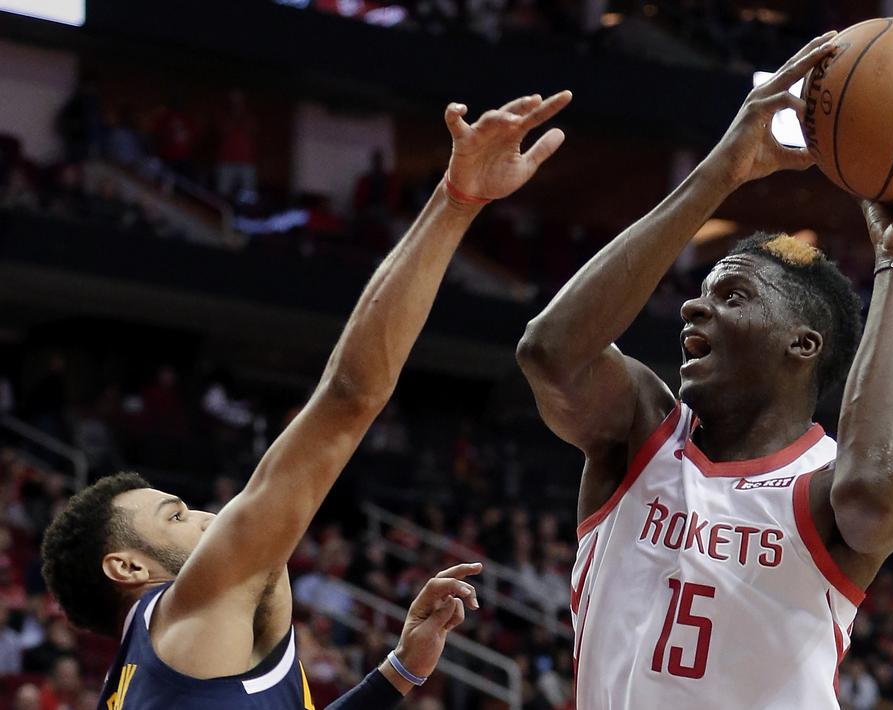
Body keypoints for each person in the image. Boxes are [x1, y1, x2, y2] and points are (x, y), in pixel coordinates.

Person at [38, 89, 573, 709]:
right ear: (128, 568)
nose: (212, 517)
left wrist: (397, 674)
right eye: (177, 517)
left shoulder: (140, 680)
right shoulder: (195, 601)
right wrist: (457, 201)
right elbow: (350, 396)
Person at [517, 31, 893, 708]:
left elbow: (877, 491)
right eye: (703, 291)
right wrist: (722, 170)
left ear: (801, 344)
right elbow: (550, 355)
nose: (691, 306)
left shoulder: (826, 489)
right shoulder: (640, 433)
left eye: (731, 296)